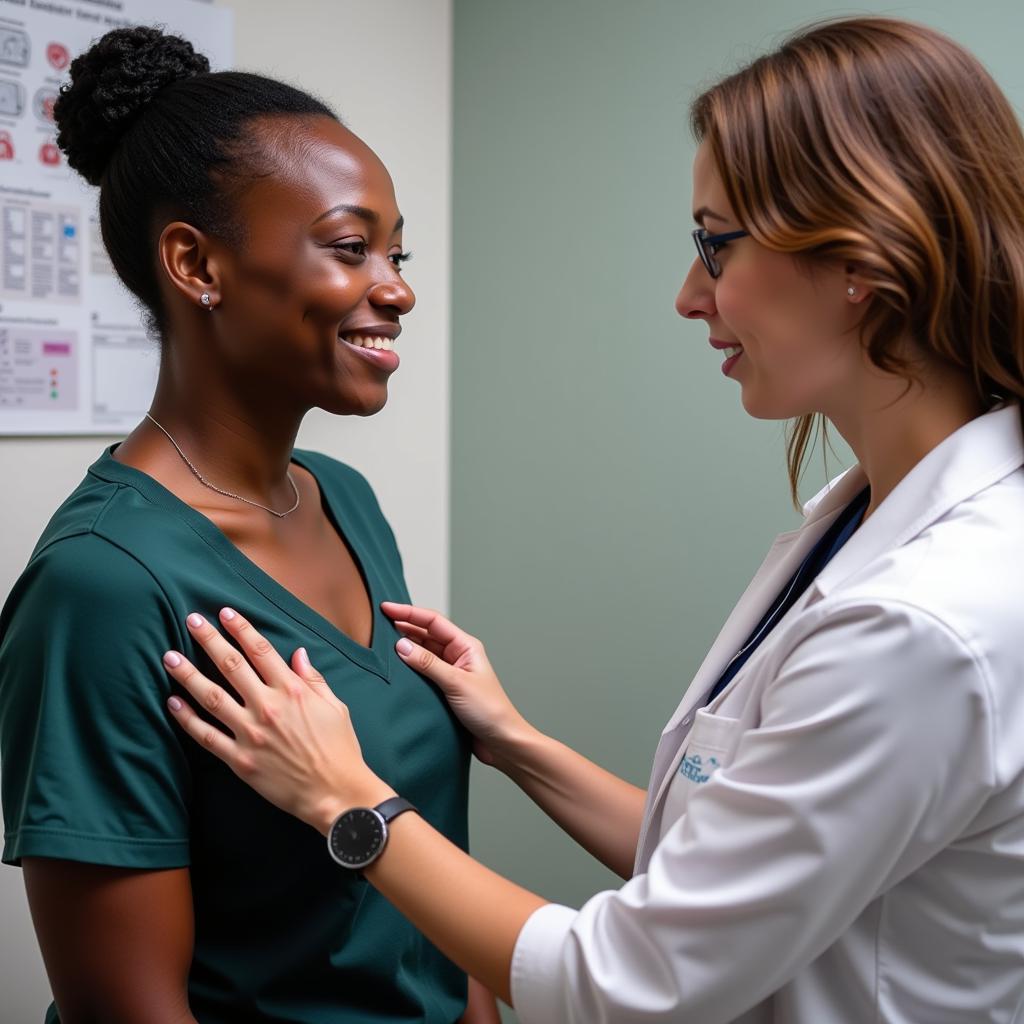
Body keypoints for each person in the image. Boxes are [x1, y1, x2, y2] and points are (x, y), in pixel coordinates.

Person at [156, 16, 1024, 1024]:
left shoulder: (927, 617)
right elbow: (721, 856)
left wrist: (343, 796)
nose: (687, 295)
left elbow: (628, 980)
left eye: (714, 243)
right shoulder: (865, 522)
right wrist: (515, 740)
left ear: (863, 259)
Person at [0, 26, 498, 1024]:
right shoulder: (103, 587)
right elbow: (128, 1010)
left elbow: (431, 875)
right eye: (352, 248)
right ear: (195, 263)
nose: (396, 288)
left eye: (397, 253)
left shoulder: (343, 500)